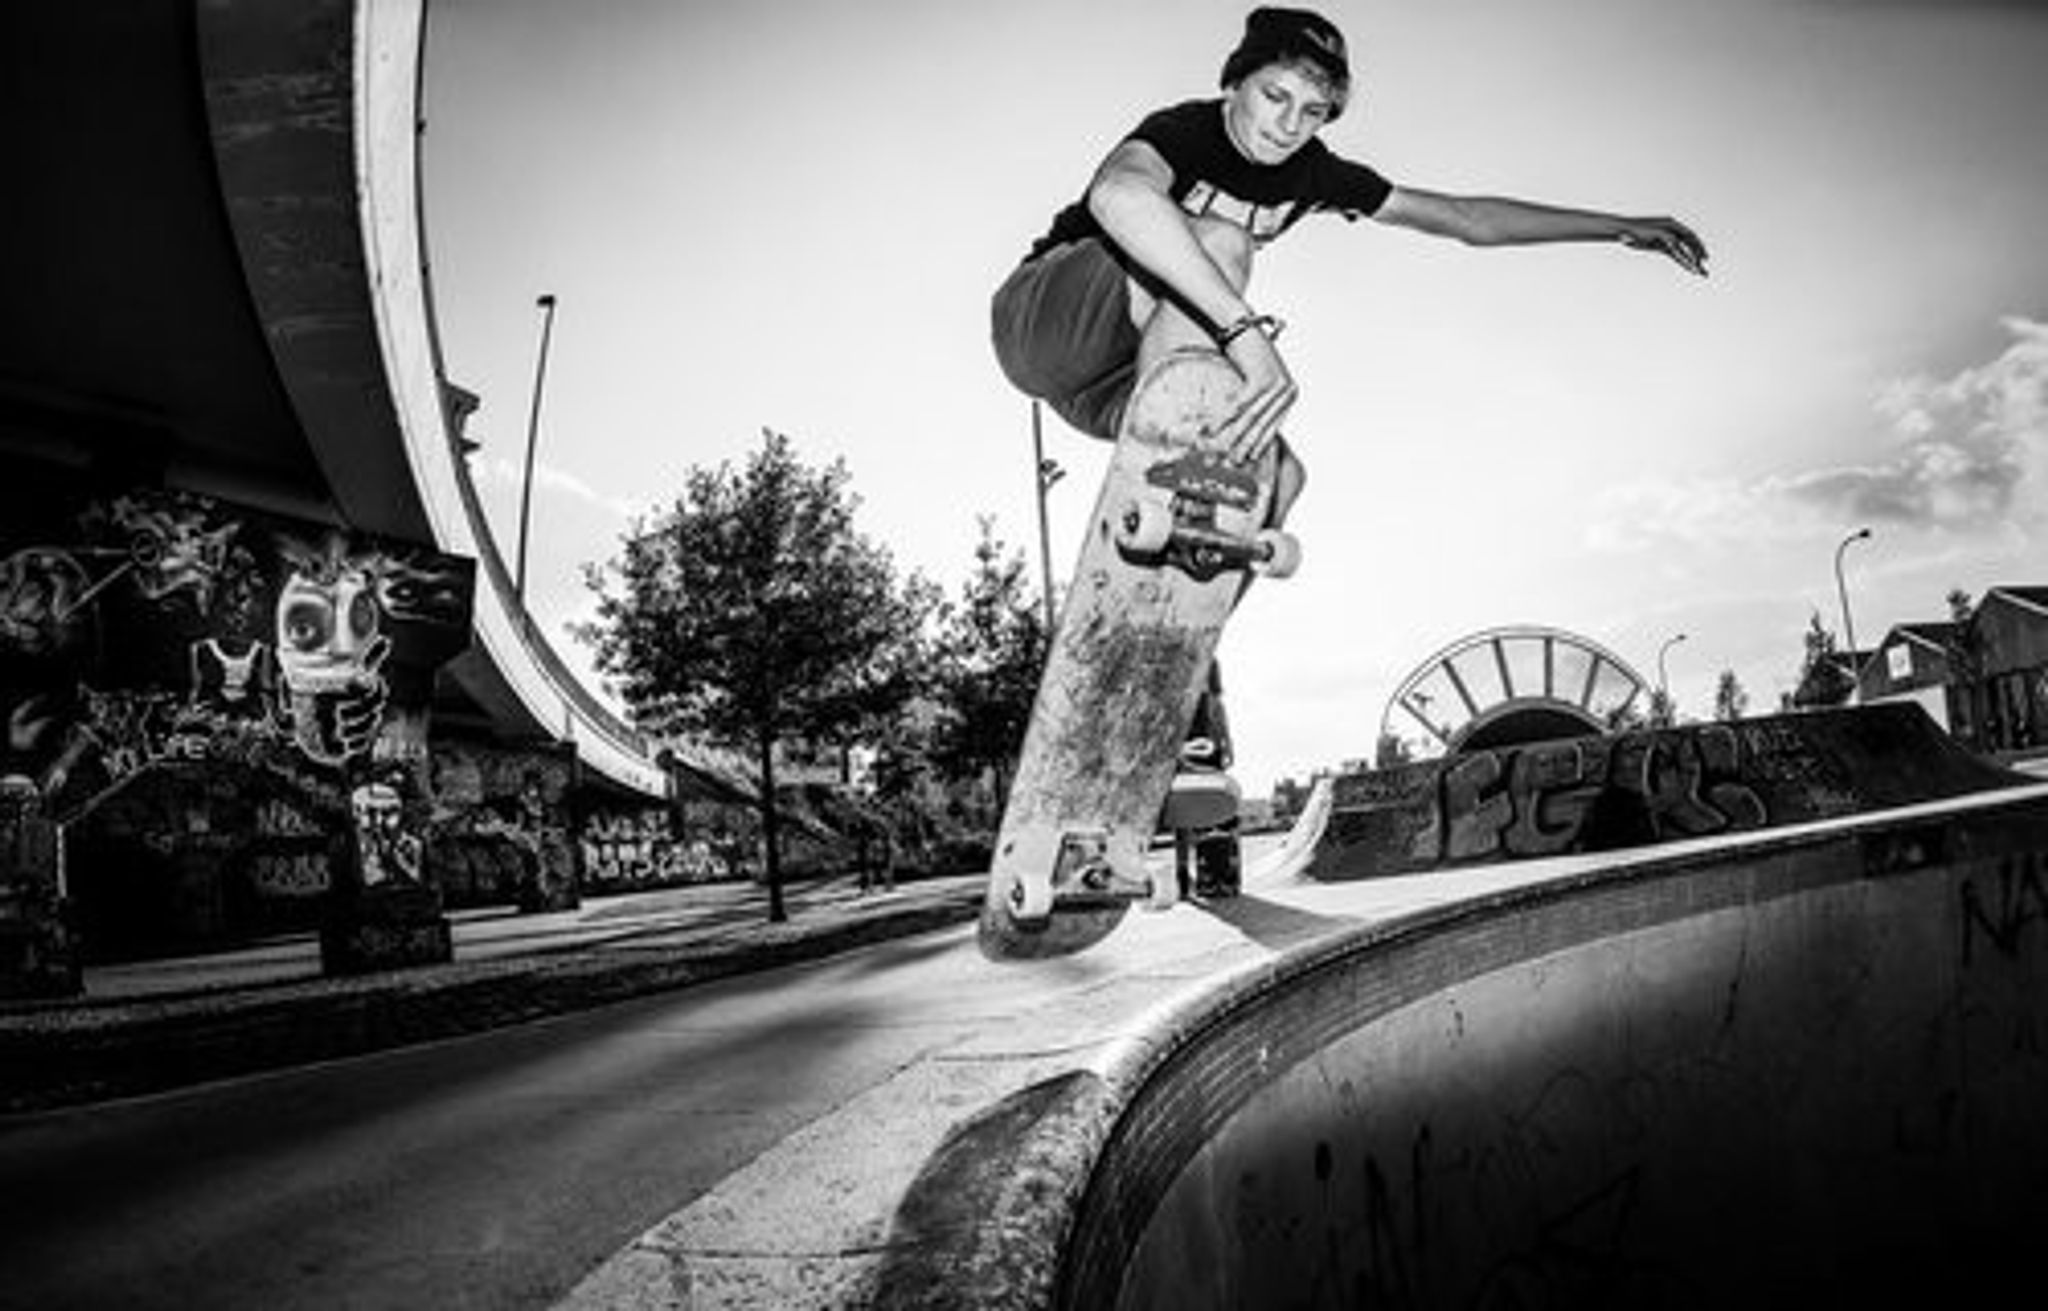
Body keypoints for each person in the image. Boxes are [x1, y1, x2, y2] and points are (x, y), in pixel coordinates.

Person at [991, 6, 1709, 529]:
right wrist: (1245, 335)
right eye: (1274, 96)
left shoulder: (1315, 174)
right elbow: (1118, 194)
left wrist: (1619, 226)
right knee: (1224, 243)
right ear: (1236, 84)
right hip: (1044, 326)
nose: (1288, 125)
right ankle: (1171, 455)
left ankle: (1176, 658)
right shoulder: (1186, 131)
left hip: (1116, 388)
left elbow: (1465, 218)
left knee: (1275, 479)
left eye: (1312, 111)